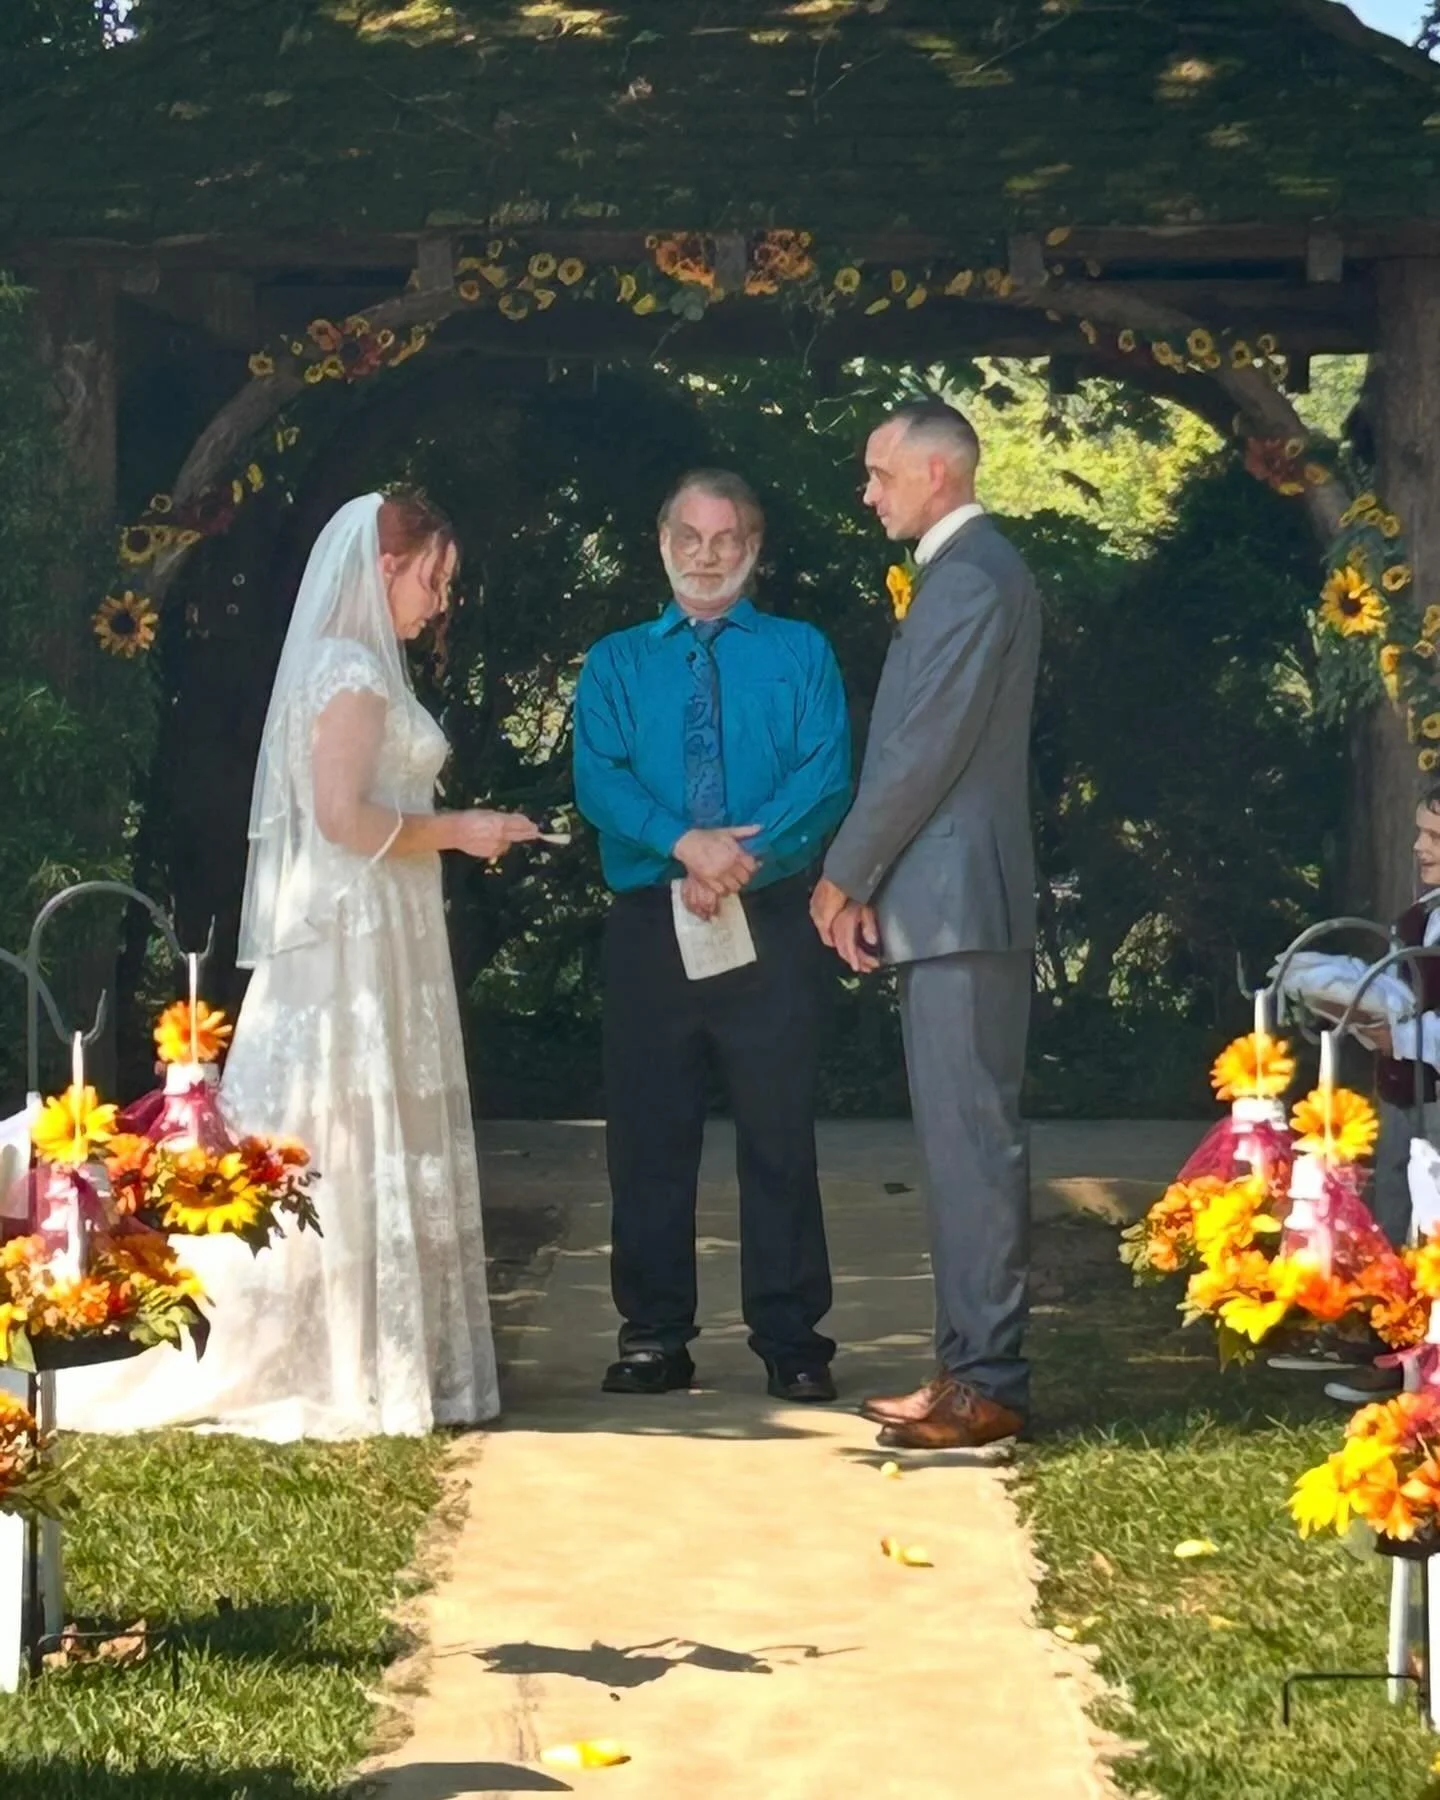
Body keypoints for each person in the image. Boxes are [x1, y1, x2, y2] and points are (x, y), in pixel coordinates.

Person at [60, 491, 539, 1439]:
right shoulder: (351, 671)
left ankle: (369, 1347)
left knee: (348, 1124)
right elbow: (342, 818)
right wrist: (460, 829)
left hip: (373, 919)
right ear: (387, 568)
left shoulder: (349, 665)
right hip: (356, 931)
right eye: (433, 579)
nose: (439, 603)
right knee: (340, 1126)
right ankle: (342, 1356)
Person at [573, 468, 852, 1402]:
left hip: (769, 919)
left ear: (753, 548)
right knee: (648, 1135)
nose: (705, 555)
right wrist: (685, 844)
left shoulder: (801, 653)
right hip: (650, 925)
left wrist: (742, 861)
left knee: (779, 1131)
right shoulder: (616, 662)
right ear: (662, 544)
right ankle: (654, 1334)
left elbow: (825, 774)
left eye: (725, 538)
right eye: (688, 537)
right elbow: (600, 779)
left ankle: (792, 1338)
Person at [810, 401, 1041, 1452]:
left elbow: (923, 751)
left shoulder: (972, 577)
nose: (867, 493)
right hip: (944, 899)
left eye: (880, 472)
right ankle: (965, 1371)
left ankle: (987, 1382)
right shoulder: (965, 573)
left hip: (959, 902)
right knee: (956, 1145)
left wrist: (844, 876)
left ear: (938, 473)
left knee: (972, 1144)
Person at [1317, 788, 1440, 1407]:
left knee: (1432, 1224)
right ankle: (1392, 1341)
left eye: (1435, 838)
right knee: (1396, 1212)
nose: (1419, 847)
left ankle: (1418, 1359)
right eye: (1419, 832)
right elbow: (1399, 992)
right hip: (1406, 1091)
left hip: (1433, 1091)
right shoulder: (1420, 916)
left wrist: (1404, 1036)